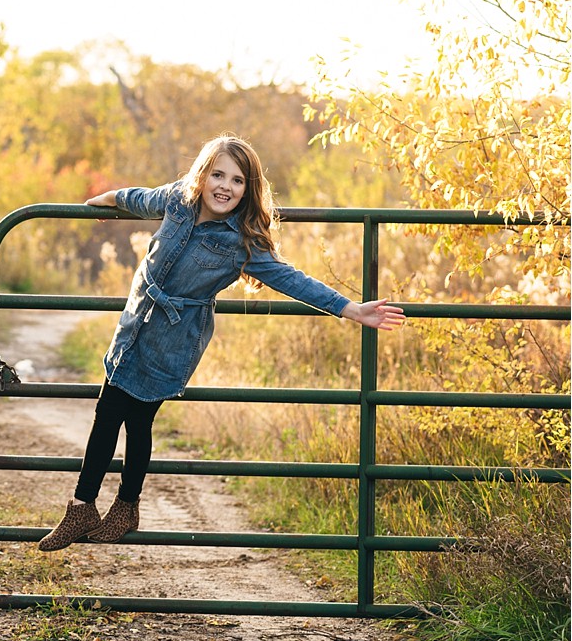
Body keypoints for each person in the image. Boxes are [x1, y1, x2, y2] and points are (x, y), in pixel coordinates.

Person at [38, 134, 405, 551]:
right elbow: (142, 197)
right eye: (217, 174)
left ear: (249, 189)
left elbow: (292, 280)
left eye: (237, 180)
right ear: (202, 174)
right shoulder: (178, 199)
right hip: (135, 324)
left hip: (173, 339)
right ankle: (83, 508)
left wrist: (349, 308)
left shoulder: (243, 241)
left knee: (138, 419)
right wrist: (108, 199)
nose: (225, 187)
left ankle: (125, 506)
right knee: (107, 414)